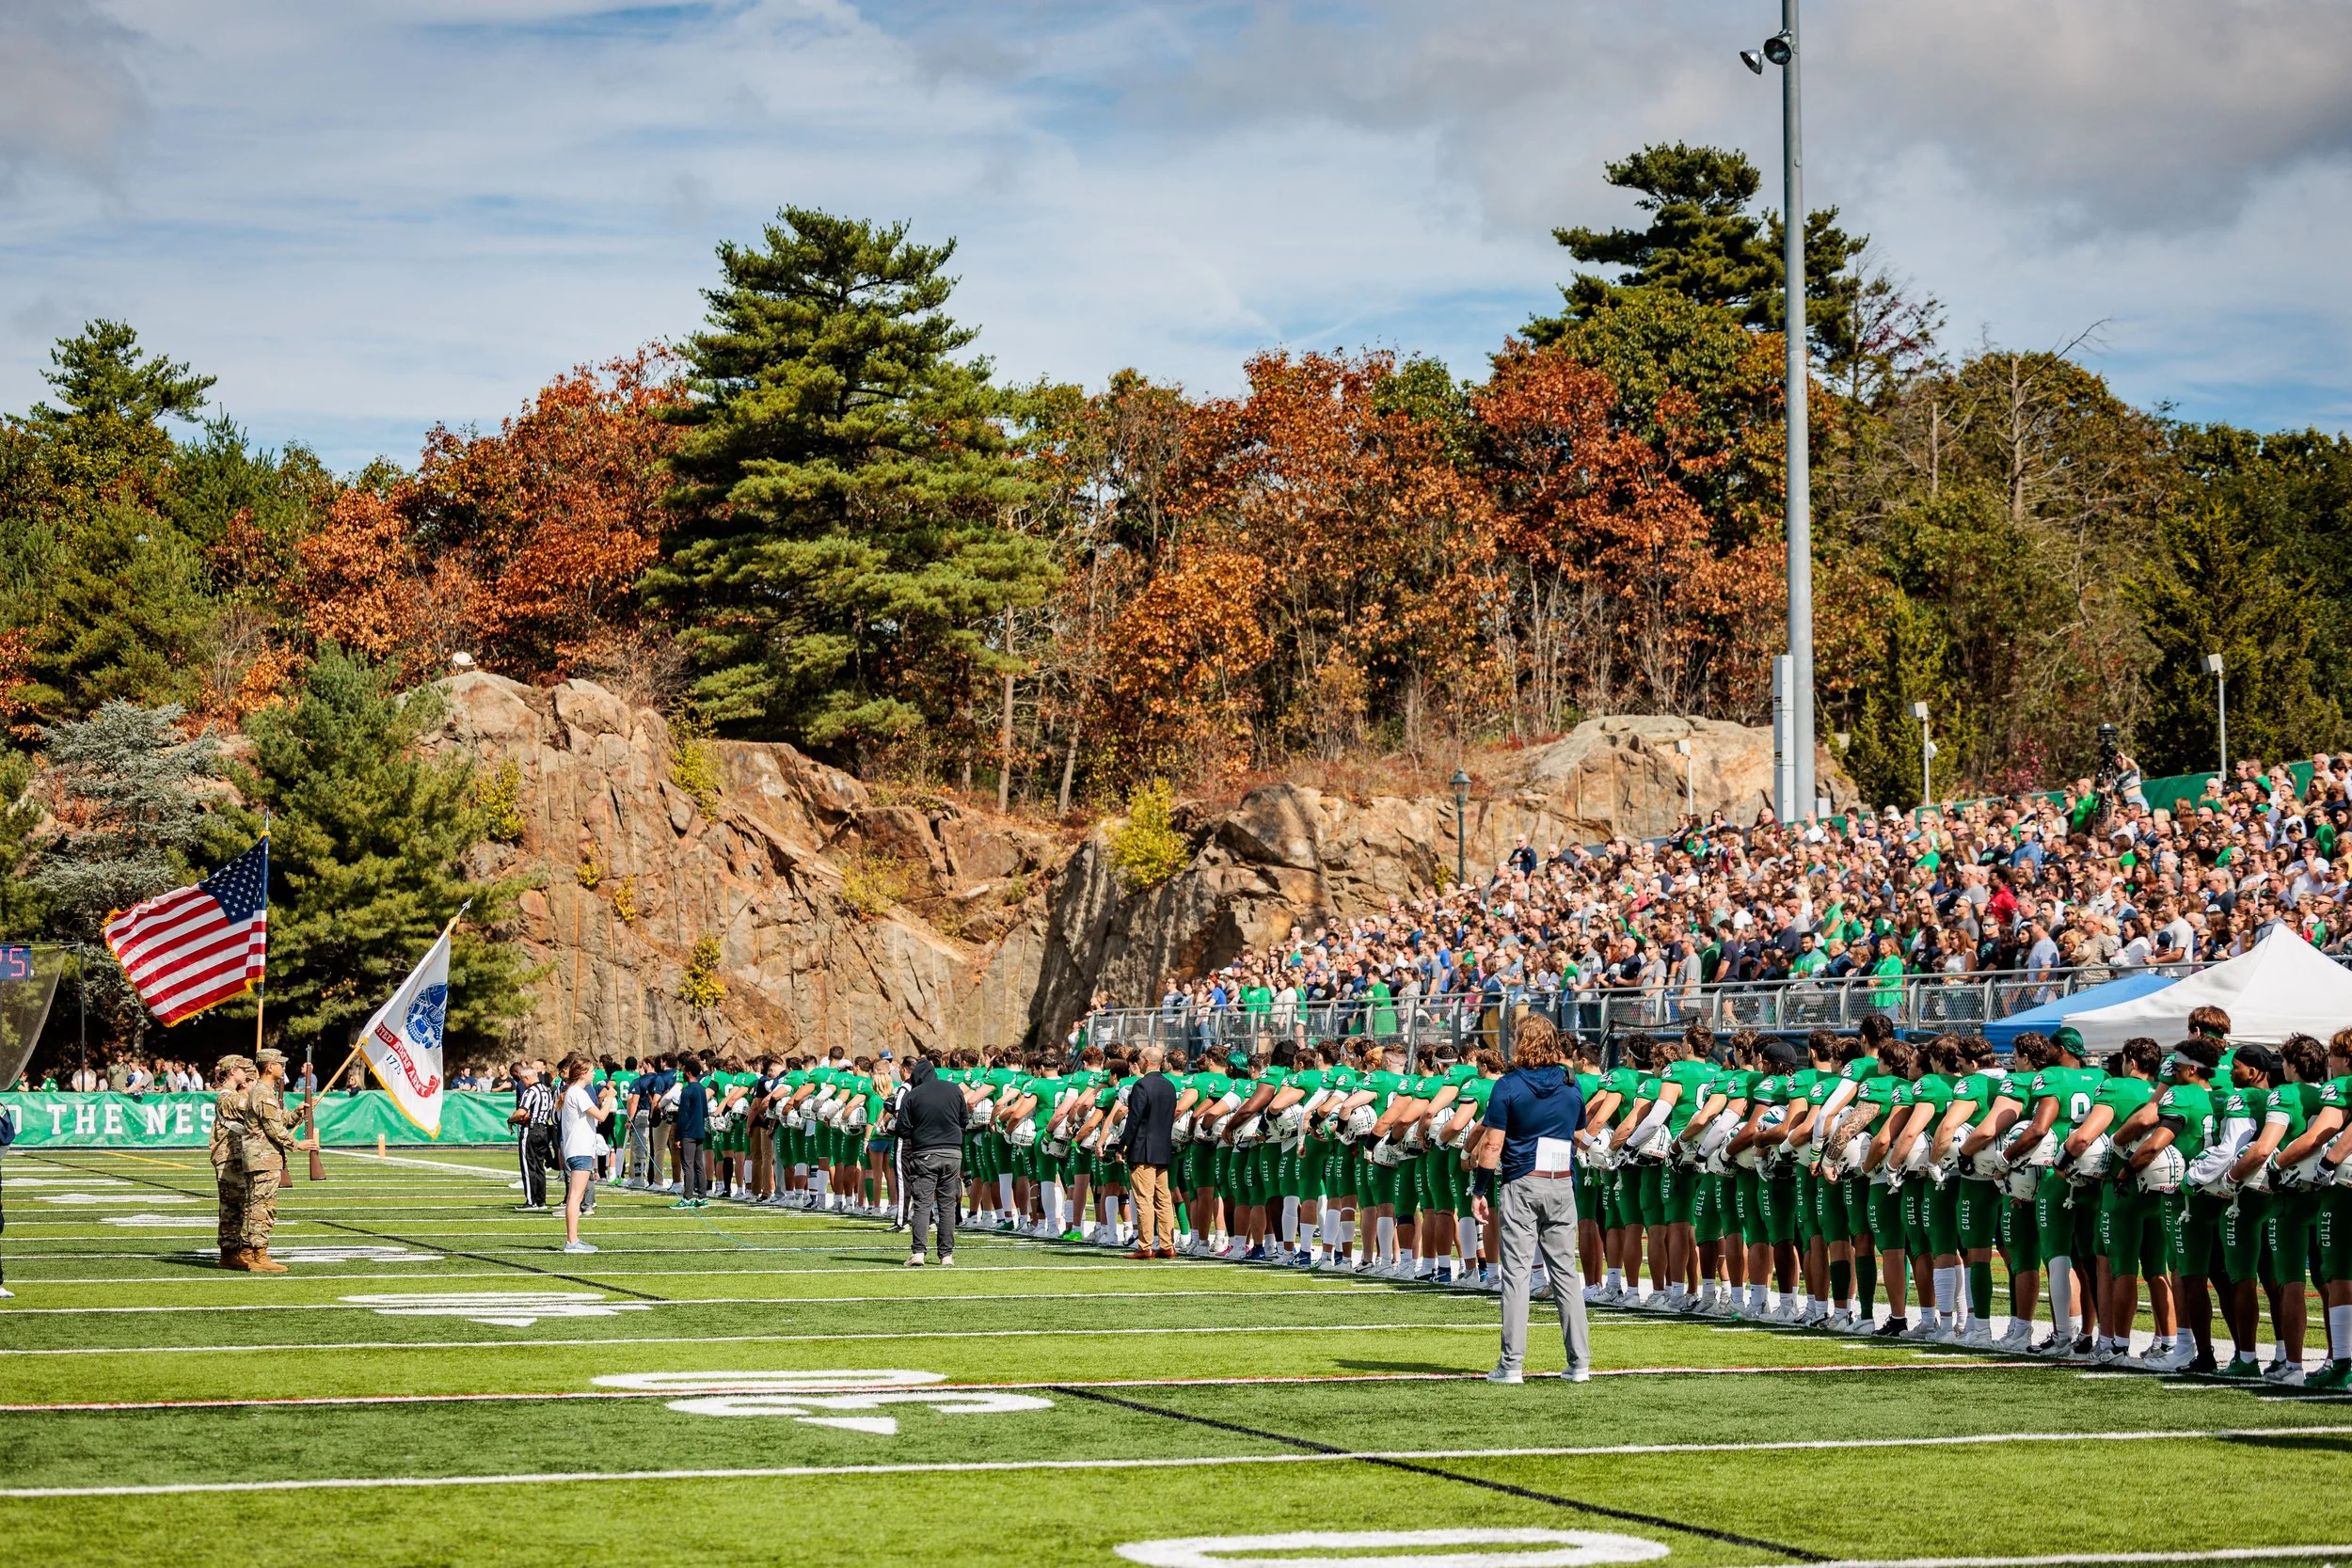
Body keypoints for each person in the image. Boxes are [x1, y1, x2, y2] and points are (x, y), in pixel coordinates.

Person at [1470, 1016, 1592, 1385]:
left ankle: (1512, 1364)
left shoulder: (1509, 1084)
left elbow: (1492, 1144)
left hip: (1523, 1181)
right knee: (1566, 1274)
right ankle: (1580, 1362)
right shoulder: (1572, 1085)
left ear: (1521, 1042)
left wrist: (1479, 1189)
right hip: (1560, 1182)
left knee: (1518, 1275)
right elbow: (1581, 1135)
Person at [239, 1048, 312, 1274]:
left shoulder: (265, 1092)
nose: (283, 1067)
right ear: (270, 1067)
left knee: (255, 1206)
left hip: (263, 1157)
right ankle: (259, 1254)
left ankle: (247, 1252)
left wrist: (298, 1111)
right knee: (262, 1207)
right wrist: (296, 1145)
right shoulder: (263, 1092)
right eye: (280, 1064)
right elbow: (274, 1129)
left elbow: (280, 1119)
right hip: (263, 1158)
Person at [897, 1054, 968, 1267]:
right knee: (947, 1204)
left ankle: (918, 1252)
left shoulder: (913, 1095)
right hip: (953, 1152)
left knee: (923, 1204)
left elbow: (901, 1129)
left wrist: (919, 1134)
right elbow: (964, 1120)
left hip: (925, 1153)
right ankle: (946, 1255)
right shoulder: (954, 1089)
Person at [1122, 1044, 1180, 1259]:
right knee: (1163, 1198)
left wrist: (1122, 1146)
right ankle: (1167, 1244)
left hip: (1142, 1148)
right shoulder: (1169, 1086)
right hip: (1162, 1147)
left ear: (1146, 1062)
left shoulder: (1141, 1085)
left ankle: (1145, 1246)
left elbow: (1134, 1120)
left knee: (1144, 1199)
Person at [557, 1055, 617, 1254]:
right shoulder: (578, 1093)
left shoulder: (573, 1092)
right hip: (579, 1149)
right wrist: (610, 1098)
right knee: (575, 1196)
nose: (594, 1074)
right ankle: (571, 1241)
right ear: (583, 1073)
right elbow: (601, 1116)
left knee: (577, 1195)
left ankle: (574, 1239)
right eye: (591, 1071)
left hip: (579, 1148)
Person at [209, 1054, 255, 1271]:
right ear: (233, 1070)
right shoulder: (226, 1097)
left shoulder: (234, 1094)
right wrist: (261, 1094)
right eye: (243, 1070)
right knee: (231, 1207)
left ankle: (240, 1249)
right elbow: (248, 1106)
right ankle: (228, 1253)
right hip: (228, 1158)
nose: (245, 1074)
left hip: (237, 1156)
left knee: (241, 1205)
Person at [509, 1062, 557, 1212]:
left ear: (528, 1078)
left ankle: (531, 1201)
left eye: (523, 1080)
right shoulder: (546, 1090)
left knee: (528, 1165)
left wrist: (510, 1120)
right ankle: (541, 1200)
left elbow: (522, 1112)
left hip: (530, 1130)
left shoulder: (531, 1092)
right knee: (539, 1166)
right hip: (543, 1130)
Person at [672, 1059, 711, 1209]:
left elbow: (682, 1116)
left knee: (688, 1166)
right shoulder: (702, 1089)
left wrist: (678, 1137)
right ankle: (702, 1197)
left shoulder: (687, 1091)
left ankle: (687, 1198)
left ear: (688, 1072)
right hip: (700, 1131)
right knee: (699, 1165)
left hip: (688, 1133)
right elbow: (705, 1112)